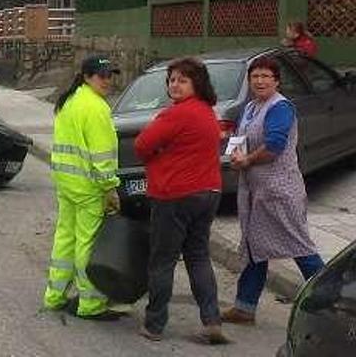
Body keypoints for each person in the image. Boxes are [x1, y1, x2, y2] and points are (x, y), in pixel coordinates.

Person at [223, 55, 324, 325]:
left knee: (299, 247)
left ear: (277, 81)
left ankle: (333, 301)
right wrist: (235, 155)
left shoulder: (280, 108)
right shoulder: (252, 107)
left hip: (279, 191)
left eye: (266, 76)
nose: (259, 81)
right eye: (255, 76)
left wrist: (248, 160)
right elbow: (242, 138)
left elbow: (274, 146)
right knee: (255, 248)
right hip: (256, 191)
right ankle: (245, 307)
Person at [134, 58, 228, 344]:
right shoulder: (207, 113)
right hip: (208, 192)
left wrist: (158, 153)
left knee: (162, 260)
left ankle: (154, 324)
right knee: (198, 256)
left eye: (182, 80)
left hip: (174, 195)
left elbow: (141, 146)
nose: (174, 84)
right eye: (172, 79)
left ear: (196, 84)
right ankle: (212, 320)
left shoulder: (176, 114)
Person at [43, 56, 122, 320]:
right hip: (88, 187)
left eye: (110, 76)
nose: (108, 81)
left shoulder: (69, 101)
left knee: (65, 238)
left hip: (66, 182)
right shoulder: (96, 108)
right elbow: (102, 157)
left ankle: (54, 296)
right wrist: (110, 188)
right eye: (103, 76)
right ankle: (90, 304)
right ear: (87, 76)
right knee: (86, 243)